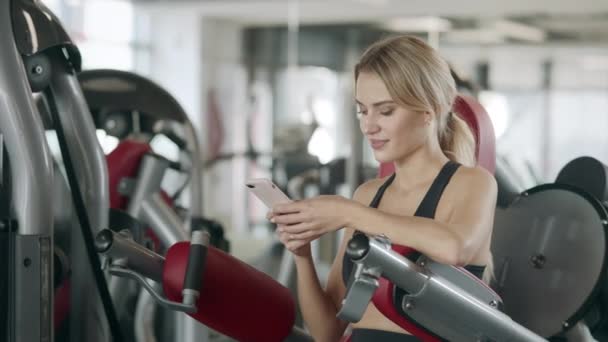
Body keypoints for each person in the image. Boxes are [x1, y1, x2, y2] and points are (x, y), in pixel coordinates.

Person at [268, 35, 497, 342]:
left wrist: (346, 212)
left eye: (385, 111)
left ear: (429, 110)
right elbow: (326, 333)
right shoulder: (367, 196)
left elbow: (454, 248)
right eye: (362, 110)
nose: (368, 125)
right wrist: (302, 254)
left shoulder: (473, 183)